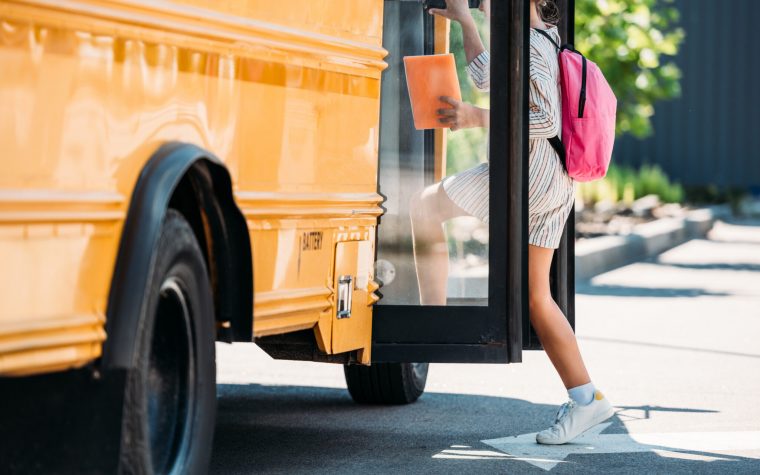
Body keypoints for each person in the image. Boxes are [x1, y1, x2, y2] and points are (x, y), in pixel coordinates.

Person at [413, 0, 615, 445]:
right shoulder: (543, 39)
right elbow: (491, 78)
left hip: (529, 176)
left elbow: (542, 119)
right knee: (538, 299)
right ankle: (587, 399)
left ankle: (433, 322)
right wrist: (470, 19)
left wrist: (473, 116)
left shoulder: (529, 43)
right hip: (556, 183)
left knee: (424, 208)